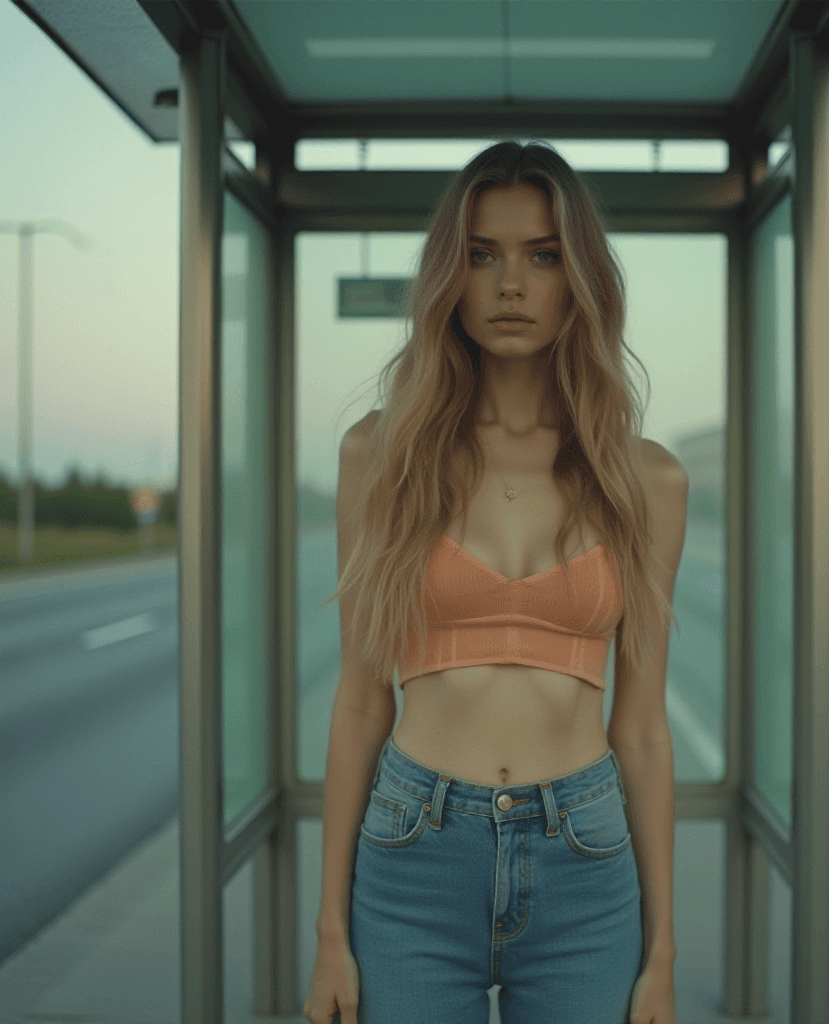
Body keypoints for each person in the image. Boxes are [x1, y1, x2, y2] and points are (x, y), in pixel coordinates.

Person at [303, 140, 688, 1024]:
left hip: (584, 857)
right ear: (451, 275)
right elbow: (361, 701)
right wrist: (330, 928)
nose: (511, 283)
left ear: (579, 278)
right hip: (412, 850)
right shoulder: (381, 455)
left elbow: (643, 725)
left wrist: (662, 949)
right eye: (482, 255)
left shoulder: (648, 480)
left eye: (543, 256)